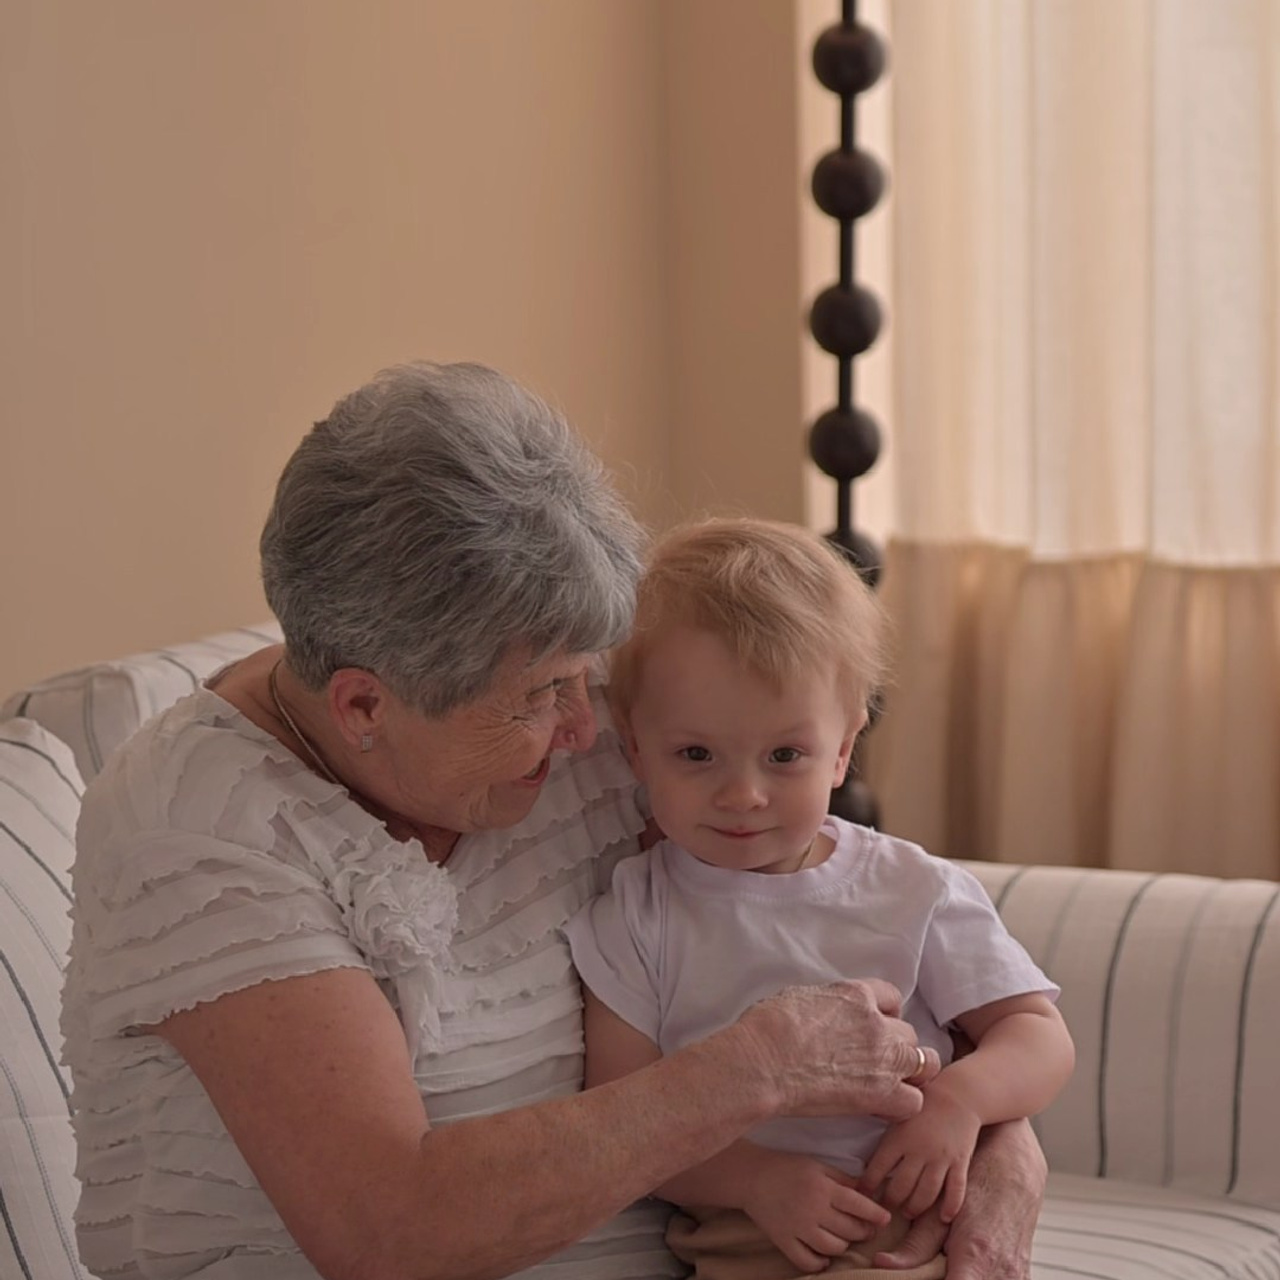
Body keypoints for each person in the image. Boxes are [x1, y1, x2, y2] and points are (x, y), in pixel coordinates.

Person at [62, 361, 1050, 1280]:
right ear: (365, 707)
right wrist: (753, 1069)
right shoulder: (202, 836)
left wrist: (995, 1173)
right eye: (541, 695)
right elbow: (386, 1226)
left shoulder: (594, 721)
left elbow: (913, 984)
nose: (586, 730)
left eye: (587, 677)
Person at [565, 518, 1075, 1279]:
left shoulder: (913, 888)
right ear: (635, 747)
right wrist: (756, 1180)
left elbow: (1039, 1036)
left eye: (785, 755)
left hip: (925, 1214)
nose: (743, 794)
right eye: (695, 754)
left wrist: (959, 1103)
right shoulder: (635, 916)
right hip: (753, 1233)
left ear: (842, 749)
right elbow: (624, 1121)